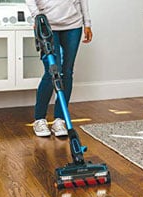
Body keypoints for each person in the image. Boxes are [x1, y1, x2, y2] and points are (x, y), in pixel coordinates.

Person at [26, 0, 93, 137]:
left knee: (67, 72)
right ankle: (39, 119)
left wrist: (87, 23)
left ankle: (59, 119)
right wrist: (37, 16)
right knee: (52, 71)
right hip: (47, 24)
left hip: (73, 25)